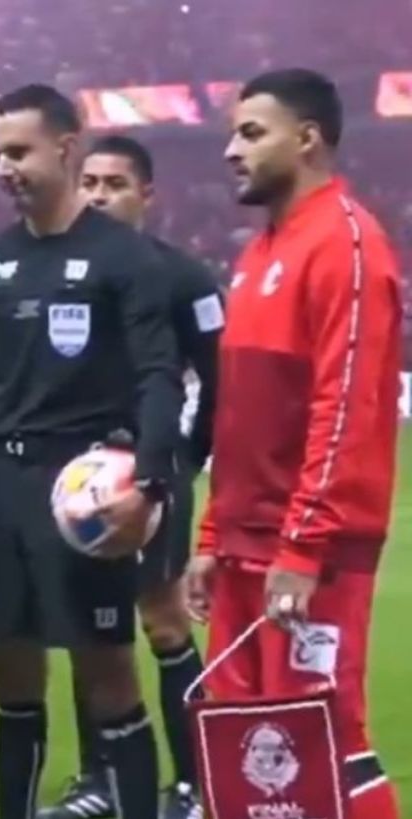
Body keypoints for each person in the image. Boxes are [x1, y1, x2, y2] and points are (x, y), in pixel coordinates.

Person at [0, 84, 182, 819]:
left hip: (85, 491)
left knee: (110, 680)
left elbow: (158, 376)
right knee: (11, 685)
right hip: (1, 489)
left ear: (66, 146)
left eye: (18, 151)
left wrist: (149, 483)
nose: (4, 168)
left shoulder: (125, 258)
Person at [189, 68, 403, 819]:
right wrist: (213, 534)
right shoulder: (259, 254)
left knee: (323, 739)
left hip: (311, 550)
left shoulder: (347, 244)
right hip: (247, 541)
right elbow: (241, 418)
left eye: (252, 133)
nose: (231, 151)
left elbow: (344, 409)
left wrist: (303, 548)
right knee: (248, 743)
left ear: (307, 138)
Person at [37, 135, 224, 819]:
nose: (97, 195)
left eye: (114, 183)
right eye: (88, 182)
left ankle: (195, 782)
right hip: (76, 480)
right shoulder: (56, 268)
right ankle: (99, 782)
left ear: (147, 194)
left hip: (148, 475)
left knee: (163, 619)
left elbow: (219, 378)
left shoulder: (183, 277)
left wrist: (185, 459)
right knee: (87, 628)